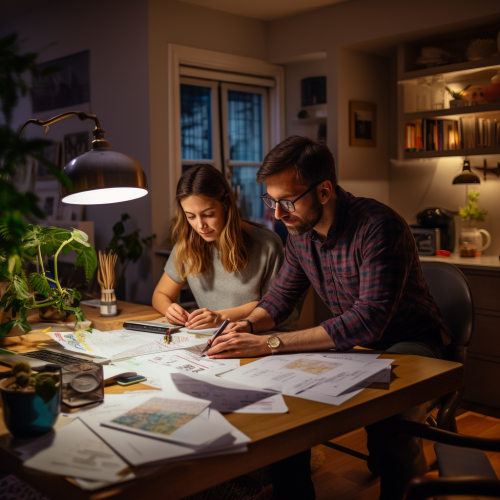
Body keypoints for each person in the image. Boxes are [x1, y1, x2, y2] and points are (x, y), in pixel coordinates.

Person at [206, 136, 451, 500]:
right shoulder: (299, 233)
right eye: (270, 200)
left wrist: (269, 342)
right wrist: (248, 325)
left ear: (323, 191)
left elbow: (368, 319)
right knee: (286, 408)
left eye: (287, 201)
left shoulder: (379, 226)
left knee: (389, 423)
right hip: (357, 347)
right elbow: (281, 296)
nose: (277, 213)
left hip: (415, 344)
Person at [152, 163, 298, 331]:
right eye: (191, 216)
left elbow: (273, 305)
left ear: (226, 204)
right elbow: (160, 295)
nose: (200, 225)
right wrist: (169, 310)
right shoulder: (187, 246)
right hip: (216, 339)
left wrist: (221, 317)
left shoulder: (267, 244)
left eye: (208, 214)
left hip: (262, 336)